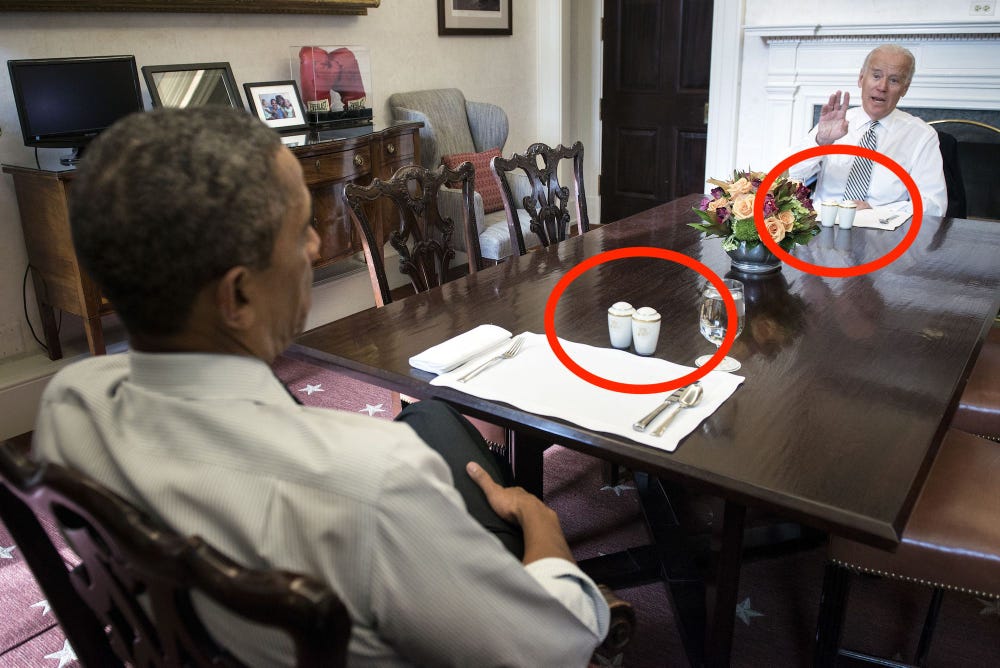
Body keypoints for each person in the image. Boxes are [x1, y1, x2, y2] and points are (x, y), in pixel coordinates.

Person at [32, 107, 609, 667]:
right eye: (300, 228)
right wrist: (545, 533)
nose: (314, 246)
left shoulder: (70, 404)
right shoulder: (374, 483)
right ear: (237, 296)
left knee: (436, 423)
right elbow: (552, 649)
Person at [788, 44, 947, 218]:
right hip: (822, 224)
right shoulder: (834, 122)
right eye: (876, 76)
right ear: (861, 78)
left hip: (883, 233)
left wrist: (876, 213)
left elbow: (933, 205)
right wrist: (820, 142)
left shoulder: (922, 135)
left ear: (905, 89)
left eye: (894, 80)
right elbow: (792, 176)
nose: (882, 86)